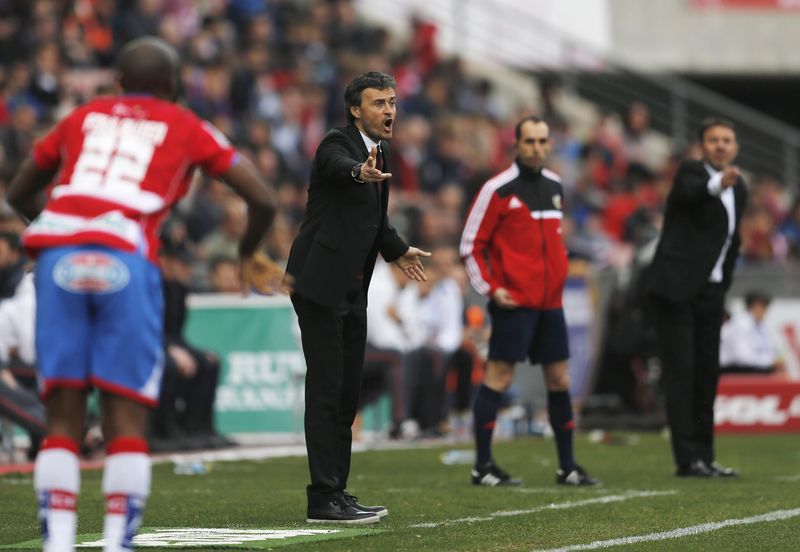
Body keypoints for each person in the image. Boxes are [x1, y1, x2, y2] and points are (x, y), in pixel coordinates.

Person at [7, 36, 277, 552]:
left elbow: (19, 191)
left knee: (62, 415)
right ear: (174, 88)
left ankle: (57, 544)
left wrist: (55, 233)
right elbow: (260, 197)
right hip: (124, 253)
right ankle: (116, 544)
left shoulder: (83, 116)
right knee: (125, 415)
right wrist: (247, 254)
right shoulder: (186, 124)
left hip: (58, 253)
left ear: (119, 83)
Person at [284, 71, 430, 524]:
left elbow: (375, 220)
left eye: (392, 102)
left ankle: (338, 491)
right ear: (355, 110)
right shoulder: (338, 144)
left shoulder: (379, 153)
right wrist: (356, 171)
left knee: (347, 394)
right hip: (318, 285)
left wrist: (398, 248)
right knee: (327, 390)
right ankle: (321, 497)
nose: (389, 110)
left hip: (351, 287)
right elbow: (336, 168)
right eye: (378, 103)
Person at [460, 116, 599, 487]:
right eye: (529, 142)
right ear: (516, 145)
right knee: (499, 376)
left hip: (550, 304)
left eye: (542, 141)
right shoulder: (498, 189)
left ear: (549, 144)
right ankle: (483, 466)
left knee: (559, 379)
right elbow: (470, 246)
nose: (536, 148)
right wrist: (492, 288)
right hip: (514, 302)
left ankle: (567, 466)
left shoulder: (555, 185)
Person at [645, 117, 747, 478]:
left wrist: (722, 284)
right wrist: (718, 182)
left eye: (727, 139)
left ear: (735, 146)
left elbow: (733, 242)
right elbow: (694, 192)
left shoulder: (740, 189)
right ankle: (687, 459)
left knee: (706, 374)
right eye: (713, 139)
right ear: (701, 145)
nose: (720, 145)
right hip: (677, 291)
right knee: (682, 374)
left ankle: (706, 455)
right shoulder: (691, 173)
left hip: (710, 292)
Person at [720, 291, 786, 376]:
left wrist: (775, 362)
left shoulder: (760, 327)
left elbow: (769, 350)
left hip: (751, 368)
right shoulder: (741, 324)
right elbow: (742, 357)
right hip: (734, 369)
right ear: (755, 306)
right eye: (763, 307)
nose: (765, 312)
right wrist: (770, 362)